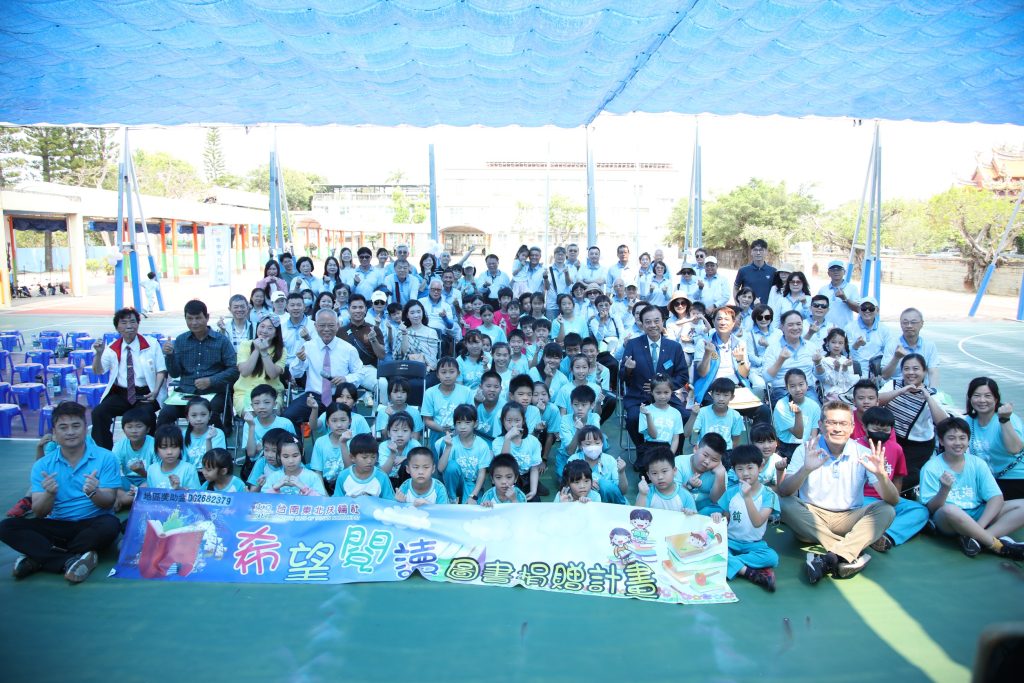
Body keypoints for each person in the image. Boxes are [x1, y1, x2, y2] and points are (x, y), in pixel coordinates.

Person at [778, 401, 898, 583]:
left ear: (852, 427)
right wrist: (805, 470)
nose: (837, 428)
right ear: (820, 424)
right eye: (831, 422)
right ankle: (851, 551)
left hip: (850, 517)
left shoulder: (863, 453)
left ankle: (831, 557)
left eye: (843, 423)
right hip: (812, 518)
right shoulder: (806, 449)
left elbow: (893, 500)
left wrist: (882, 476)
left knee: (886, 510)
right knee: (783, 503)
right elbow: (784, 491)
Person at [0, 402, 121, 583]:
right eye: (63, 427)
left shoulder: (106, 457)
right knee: (6, 527)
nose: (70, 432)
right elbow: (40, 512)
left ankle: (41, 557)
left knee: (111, 525)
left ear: (85, 429)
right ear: (55, 432)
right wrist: (49, 494)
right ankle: (68, 560)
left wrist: (94, 492)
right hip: (57, 524)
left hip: (92, 523)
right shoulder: (43, 465)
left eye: (76, 426)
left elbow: (109, 501)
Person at [920, 417, 1024, 559]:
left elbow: (996, 497)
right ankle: (999, 546)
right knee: (950, 509)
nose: (958, 443)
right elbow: (931, 508)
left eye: (962, 438)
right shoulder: (931, 468)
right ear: (942, 441)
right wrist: (944, 489)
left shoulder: (977, 463)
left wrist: (979, 527)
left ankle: (977, 540)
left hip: (977, 513)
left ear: (968, 440)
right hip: (948, 520)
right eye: (951, 438)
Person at [90, 307, 166, 449]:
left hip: (146, 393)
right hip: (121, 394)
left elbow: (161, 370)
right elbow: (98, 371)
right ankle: (104, 452)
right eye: (124, 323)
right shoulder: (112, 348)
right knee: (99, 413)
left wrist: (155, 391)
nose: (129, 326)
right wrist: (98, 354)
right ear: (117, 327)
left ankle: (150, 452)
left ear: (138, 324)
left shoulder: (151, 344)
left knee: (147, 415)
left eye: (132, 322)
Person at [855, 406, 929, 552]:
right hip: (862, 499)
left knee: (920, 511)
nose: (880, 433)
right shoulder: (855, 447)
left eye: (885, 430)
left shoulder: (896, 449)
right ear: (864, 427)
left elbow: (898, 478)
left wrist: (894, 499)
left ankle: (886, 535)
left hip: (887, 499)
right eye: (876, 429)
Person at [158, 300, 238, 430]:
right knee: (165, 414)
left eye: (198, 318)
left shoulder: (221, 340)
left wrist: (211, 380)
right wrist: (170, 356)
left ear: (207, 317)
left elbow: (234, 370)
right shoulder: (181, 340)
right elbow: (174, 373)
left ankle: (216, 442)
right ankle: (169, 442)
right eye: (190, 318)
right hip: (186, 392)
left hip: (214, 392)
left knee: (211, 415)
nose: (194, 322)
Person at [619, 304, 690, 451]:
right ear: (642, 324)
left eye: (656, 321)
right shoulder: (633, 345)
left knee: (683, 415)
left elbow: (683, 375)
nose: (653, 325)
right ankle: (643, 453)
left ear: (663, 321)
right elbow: (622, 377)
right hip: (639, 397)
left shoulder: (674, 347)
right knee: (633, 418)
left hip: (666, 397)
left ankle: (675, 453)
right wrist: (628, 369)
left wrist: (664, 386)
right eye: (648, 322)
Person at [283, 308, 363, 434]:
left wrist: (345, 379)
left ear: (338, 325)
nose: (326, 329)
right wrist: (301, 361)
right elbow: (295, 373)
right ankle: (296, 445)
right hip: (314, 397)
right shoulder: (308, 347)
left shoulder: (348, 349)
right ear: (315, 326)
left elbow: (360, 374)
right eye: (322, 325)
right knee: (288, 417)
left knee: (354, 423)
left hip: (339, 397)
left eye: (331, 325)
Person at [711, 444, 780, 592]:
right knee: (713, 548)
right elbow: (726, 518)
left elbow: (758, 522)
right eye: (740, 469)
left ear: (760, 467)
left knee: (772, 557)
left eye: (750, 468)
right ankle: (750, 572)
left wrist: (747, 497)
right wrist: (718, 517)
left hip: (754, 544)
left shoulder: (769, 495)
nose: (745, 473)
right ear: (734, 470)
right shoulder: (731, 493)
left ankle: (731, 564)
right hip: (730, 541)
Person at [878, 353, 948, 494]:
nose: (911, 372)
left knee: (906, 478)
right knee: (885, 472)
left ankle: (898, 498)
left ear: (924, 371)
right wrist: (901, 391)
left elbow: (943, 423)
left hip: (918, 446)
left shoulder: (931, 394)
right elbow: (876, 401)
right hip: (892, 439)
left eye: (916, 369)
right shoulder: (893, 384)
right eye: (906, 369)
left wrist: (928, 397)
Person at [963, 377, 1024, 501]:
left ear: (996, 399)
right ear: (970, 398)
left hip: (1015, 478)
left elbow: (1015, 449)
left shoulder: (1009, 418)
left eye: (988, 396)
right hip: (988, 479)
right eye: (977, 395)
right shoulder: (969, 421)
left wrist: (1004, 420)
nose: (982, 400)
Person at [233, 312, 286, 415]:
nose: (264, 331)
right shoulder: (245, 345)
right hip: (245, 392)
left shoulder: (281, 350)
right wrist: (257, 349)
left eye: (270, 328)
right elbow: (244, 372)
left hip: (272, 393)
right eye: (262, 326)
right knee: (251, 415)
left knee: (271, 415)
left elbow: (272, 374)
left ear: (276, 333)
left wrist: (264, 351)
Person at [338, 293, 387, 401]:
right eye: (354, 307)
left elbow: (382, 356)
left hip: (366, 369)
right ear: (348, 310)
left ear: (366, 309)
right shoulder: (340, 331)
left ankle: (383, 410)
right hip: (346, 370)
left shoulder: (374, 329)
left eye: (361, 307)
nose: (357, 310)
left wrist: (373, 339)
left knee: (383, 384)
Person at [762, 310, 817, 397]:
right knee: (788, 405)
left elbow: (822, 378)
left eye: (798, 324)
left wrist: (818, 363)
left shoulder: (811, 346)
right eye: (790, 325)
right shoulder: (773, 348)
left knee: (812, 404)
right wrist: (780, 360)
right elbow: (767, 378)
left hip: (807, 388)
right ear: (782, 327)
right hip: (782, 389)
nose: (795, 328)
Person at [880, 308, 939, 383]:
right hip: (896, 387)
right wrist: (896, 357)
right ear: (900, 324)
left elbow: (933, 372)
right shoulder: (892, 344)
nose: (909, 326)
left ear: (922, 323)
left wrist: (933, 389)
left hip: (921, 387)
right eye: (905, 322)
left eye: (913, 322)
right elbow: (885, 375)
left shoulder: (929, 346)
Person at [674, 433, 729, 513]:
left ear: (719, 461)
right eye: (705, 455)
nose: (707, 462)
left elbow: (717, 501)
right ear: (696, 449)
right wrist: (689, 486)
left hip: (706, 514)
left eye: (714, 460)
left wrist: (720, 475)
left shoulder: (720, 471)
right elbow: (671, 495)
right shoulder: (678, 463)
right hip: (681, 510)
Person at [772, 369, 821, 459]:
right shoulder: (781, 405)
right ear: (787, 388)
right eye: (792, 386)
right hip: (787, 448)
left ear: (807, 385)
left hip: (806, 445)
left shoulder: (814, 406)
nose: (798, 389)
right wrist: (798, 414)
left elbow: (813, 434)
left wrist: (811, 450)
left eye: (801, 384)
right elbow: (798, 435)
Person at [636, 445, 698, 512]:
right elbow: (638, 514)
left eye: (664, 471)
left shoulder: (685, 496)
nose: (660, 477)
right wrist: (642, 495)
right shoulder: (647, 493)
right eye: (654, 473)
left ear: (674, 471)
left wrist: (689, 513)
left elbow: (694, 515)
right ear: (648, 475)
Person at [688, 377, 744, 449]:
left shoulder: (735, 416)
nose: (721, 399)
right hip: (705, 450)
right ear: (711, 394)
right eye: (717, 394)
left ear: (732, 397)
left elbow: (735, 441)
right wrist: (693, 415)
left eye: (726, 395)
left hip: (726, 451)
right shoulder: (702, 412)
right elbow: (687, 434)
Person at [844, 296, 891, 376]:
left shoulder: (884, 329)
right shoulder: (849, 327)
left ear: (877, 310)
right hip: (855, 371)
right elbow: (845, 353)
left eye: (871, 308)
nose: (867, 311)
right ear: (859, 310)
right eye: (864, 308)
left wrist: (880, 374)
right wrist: (856, 345)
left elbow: (887, 354)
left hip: (877, 371)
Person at [146, 424, 200, 490]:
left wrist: (179, 488)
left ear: (180, 448)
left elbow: (196, 494)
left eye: (174, 447)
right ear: (157, 449)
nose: (169, 452)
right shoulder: (152, 470)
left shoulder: (189, 469)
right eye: (164, 447)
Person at [818, 260, 859, 329]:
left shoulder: (852, 288)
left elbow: (858, 309)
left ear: (844, 272)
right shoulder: (823, 290)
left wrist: (845, 299)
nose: (836, 272)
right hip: (826, 329)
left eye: (839, 269)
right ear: (828, 273)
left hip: (845, 329)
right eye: (832, 270)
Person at [733, 239, 777, 305]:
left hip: (766, 309)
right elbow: (736, 288)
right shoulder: (743, 270)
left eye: (761, 250)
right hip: (747, 309)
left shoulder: (773, 271)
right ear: (751, 252)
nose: (758, 253)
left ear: (766, 252)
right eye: (755, 250)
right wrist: (738, 304)